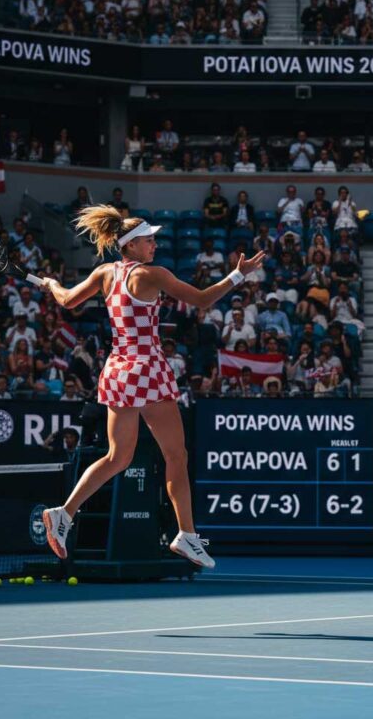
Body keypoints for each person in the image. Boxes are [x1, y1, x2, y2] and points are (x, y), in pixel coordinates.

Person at [39, 205, 264, 567]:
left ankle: (63, 513)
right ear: (130, 245)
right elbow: (203, 299)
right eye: (148, 240)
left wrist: (50, 284)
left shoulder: (105, 273)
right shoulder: (152, 274)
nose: (155, 245)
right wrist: (239, 274)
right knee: (176, 455)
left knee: (118, 457)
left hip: (117, 370)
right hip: (146, 369)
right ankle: (186, 535)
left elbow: (66, 300)